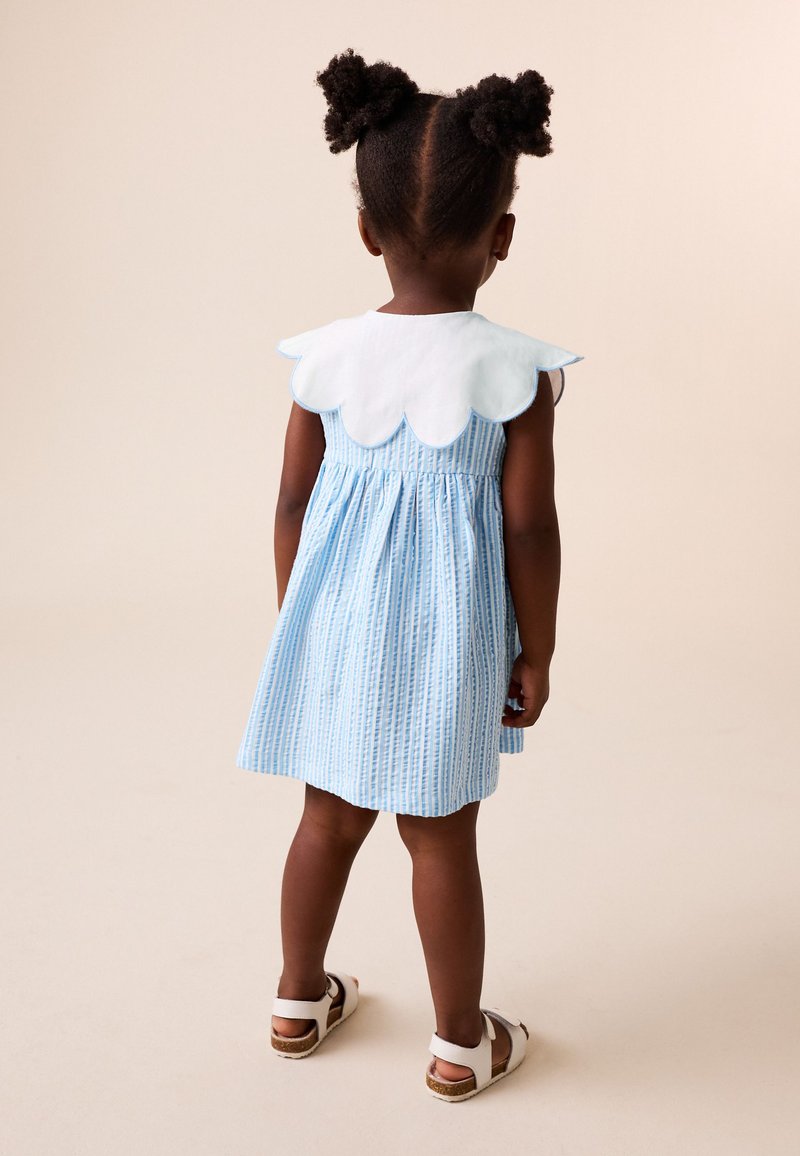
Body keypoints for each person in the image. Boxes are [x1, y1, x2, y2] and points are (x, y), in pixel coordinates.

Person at [235, 47, 585, 1102]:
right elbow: (529, 528)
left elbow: (291, 504)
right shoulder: (514, 372)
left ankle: (297, 1000)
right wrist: (536, 648)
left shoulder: (325, 358)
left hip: (334, 625)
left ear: (364, 230)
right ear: (502, 235)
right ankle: (459, 1044)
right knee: (441, 840)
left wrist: (301, 618)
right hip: (450, 642)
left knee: (326, 819)